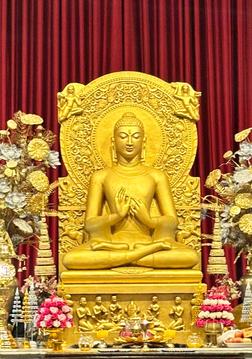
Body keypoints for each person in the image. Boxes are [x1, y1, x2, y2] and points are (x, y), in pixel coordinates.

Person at [61, 112, 199, 270]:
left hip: (148, 241)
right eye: (123, 136)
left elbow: (172, 221)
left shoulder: (157, 176)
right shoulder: (100, 177)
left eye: (135, 136)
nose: (129, 142)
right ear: (113, 141)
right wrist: (116, 216)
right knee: (71, 259)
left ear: (144, 141)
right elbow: (90, 224)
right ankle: (138, 255)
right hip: (111, 244)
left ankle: (125, 257)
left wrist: (150, 220)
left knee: (190, 257)